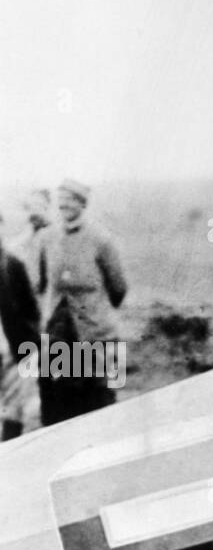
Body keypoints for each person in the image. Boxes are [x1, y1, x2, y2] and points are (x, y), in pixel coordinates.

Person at [37, 178, 128, 426]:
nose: (65, 205)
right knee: (58, 402)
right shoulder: (46, 238)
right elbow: (41, 283)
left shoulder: (101, 239)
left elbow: (118, 288)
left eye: (71, 200)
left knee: (99, 402)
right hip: (58, 333)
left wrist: (96, 313)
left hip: (96, 334)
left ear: (82, 204)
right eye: (61, 200)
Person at [0, 213, 41, 441]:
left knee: (13, 412)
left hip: (12, 351)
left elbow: (31, 309)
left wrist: (30, 343)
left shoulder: (13, 265)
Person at [9, 189, 52, 292]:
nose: (35, 210)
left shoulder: (55, 233)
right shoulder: (24, 234)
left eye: (39, 205)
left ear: (47, 207)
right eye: (32, 206)